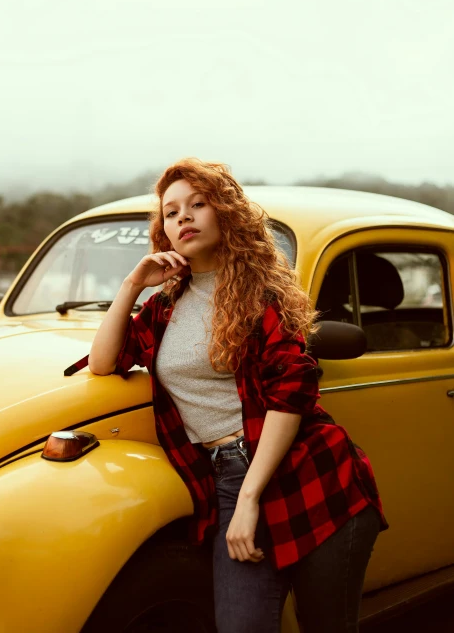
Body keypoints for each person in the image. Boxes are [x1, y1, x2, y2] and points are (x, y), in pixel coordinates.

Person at [66, 157, 389, 633]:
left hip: (309, 476)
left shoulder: (262, 294)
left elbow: (291, 392)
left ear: (226, 213)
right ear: (165, 231)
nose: (184, 217)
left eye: (198, 204)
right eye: (171, 212)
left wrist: (249, 499)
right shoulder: (165, 304)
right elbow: (103, 361)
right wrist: (132, 284)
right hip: (227, 480)